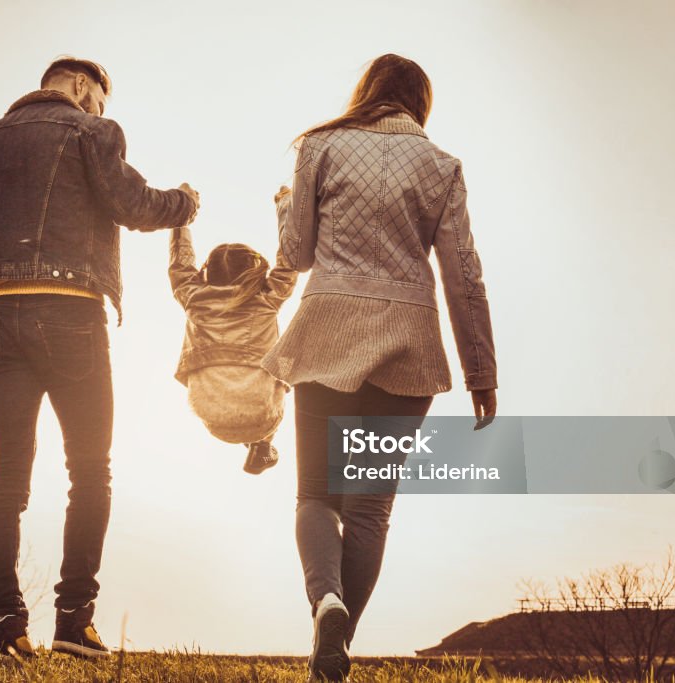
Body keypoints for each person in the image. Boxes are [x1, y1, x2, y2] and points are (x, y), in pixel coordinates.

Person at [0, 56, 199, 660]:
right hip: (73, 311)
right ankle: (73, 623)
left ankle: (2, 626)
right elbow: (132, 204)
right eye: (100, 100)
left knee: (6, 478)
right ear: (82, 88)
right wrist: (183, 203)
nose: (101, 111)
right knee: (89, 470)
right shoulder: (92, 131)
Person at [261, 54, 499, 681]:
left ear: (366, 92)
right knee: (369, 510)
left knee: (316, 494)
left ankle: (326, 605)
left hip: (326, 335)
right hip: (406, 344)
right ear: (422, 103)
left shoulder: (321, 145)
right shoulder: (443, 166)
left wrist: (287, 206)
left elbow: (298, 253)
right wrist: (482, 372)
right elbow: (463, 275)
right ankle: (334, 648)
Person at [168, 225, 297, 474]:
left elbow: (179, 265)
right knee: (285, 361)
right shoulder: (268, 299)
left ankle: (258, 440)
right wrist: (286, 207)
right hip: (263, 417)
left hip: (211, 417)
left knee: (269, 366)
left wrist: (181, 219)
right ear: (255, 272)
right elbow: (290, 259)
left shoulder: (193, 299)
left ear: (207, 273)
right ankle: (263, 443)